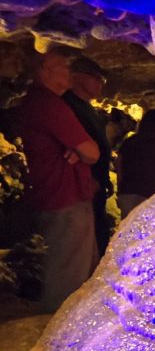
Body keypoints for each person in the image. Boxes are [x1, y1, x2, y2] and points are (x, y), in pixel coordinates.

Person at [13, 49, 99, 312]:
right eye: (63, 66)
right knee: (68, 278)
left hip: (62, 196)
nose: (70, 72)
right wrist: (83, 151)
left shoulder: (39, 103)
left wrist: (80, 151)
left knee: (80, 270)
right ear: (46, 69)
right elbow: (92, 152)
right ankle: (58, 339)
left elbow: (85, 151)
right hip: (65, 199)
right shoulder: (48, 103)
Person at [63, 56, 114, 255]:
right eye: (97, 78)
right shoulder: (68, 105)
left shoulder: (86, 108)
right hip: (81, 187)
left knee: (96, 237)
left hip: (94, 184)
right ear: (78, 77)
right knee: (83, 245)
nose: (101, 84)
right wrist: (87, 177)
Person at [116, 109, 155, 217]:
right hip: (153, 194)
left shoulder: (129, 141)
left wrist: (120, 191)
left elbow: (119, 166)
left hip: (128, 193)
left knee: (129, 230)